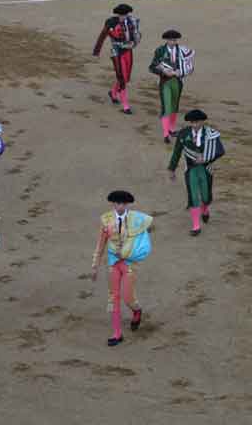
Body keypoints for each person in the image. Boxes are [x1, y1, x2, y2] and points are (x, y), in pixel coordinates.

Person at [90, 190, 153, 347]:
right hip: (113, 263)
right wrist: (95, 265)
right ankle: (117, 334)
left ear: (127, 204)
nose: (120, 206)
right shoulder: (106, 220)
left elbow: (143, 240)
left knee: (127, 297)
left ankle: (136, 310)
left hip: (129, 263)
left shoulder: (136, 220)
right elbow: (101, 244)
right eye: (117, 203)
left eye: (123, 204)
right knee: (114, 297)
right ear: (113, 204)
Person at [168, 109, 225, 236]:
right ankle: (196, 226)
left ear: (202, 122)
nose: (194, 125)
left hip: (206, 169)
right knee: (193, 196)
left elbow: (220, 151)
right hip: (191, 169)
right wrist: (172, 169)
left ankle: (204, 210)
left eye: (197, 122)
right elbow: (177, 152)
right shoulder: (183, 134)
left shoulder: (211, 134)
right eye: (192, 122)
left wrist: (205, 158)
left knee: (205, 195)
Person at [93, 3, 141, 115]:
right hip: (116, 52)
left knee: (126, 78)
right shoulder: (111, 23)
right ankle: (125, 105)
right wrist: (96, 51)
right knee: (122, 78)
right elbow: (102, 36)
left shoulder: (132, 21)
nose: (123, 17)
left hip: (128, 52)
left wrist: (133, 43)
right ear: (118, 14)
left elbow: (137, 36)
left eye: (125, 15)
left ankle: (113, 93)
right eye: (121, 15)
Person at [149, 29, 194, 143]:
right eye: (171, 40)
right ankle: (165, 134)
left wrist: (183, 72)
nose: (173, 42)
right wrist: (164, 72)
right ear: (167, 40)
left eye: (174, 40)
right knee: (167, 107)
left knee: (174, 106)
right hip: (165, 82)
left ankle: (172, 129)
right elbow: (152, 67)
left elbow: (190, 67)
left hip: (178, 82)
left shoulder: (182, 51)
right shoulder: (160, 51)